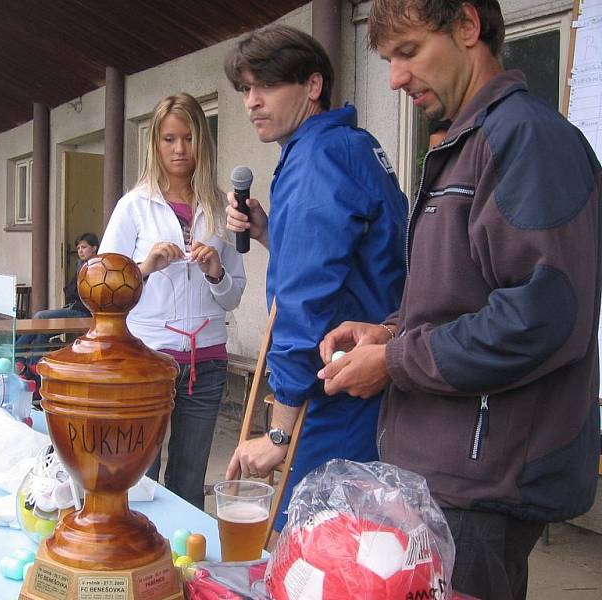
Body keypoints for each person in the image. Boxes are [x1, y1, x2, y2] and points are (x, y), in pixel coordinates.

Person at [317, 2, 601, 598]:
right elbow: (460, 295)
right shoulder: (464, 142)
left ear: (468, 26)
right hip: (447, 475)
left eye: (409, 52)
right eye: (390, 59)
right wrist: (388, 332)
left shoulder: (526, 140)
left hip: (484, 485)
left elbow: (541, 317)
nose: (396, 77)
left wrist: (394, 362)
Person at [222, 25, 408, 542]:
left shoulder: (316, 160)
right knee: (360, 546)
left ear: (311, 86)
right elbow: (346, 264)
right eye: (245, 89)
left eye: (267, 87)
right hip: (368, 383)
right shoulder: (352, 145)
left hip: (333, 390)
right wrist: (268, 232)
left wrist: (278, 431)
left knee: (315, 553)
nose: (252, 103)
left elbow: (304, 305)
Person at [100, 92, 246, 509]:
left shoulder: (223, 207)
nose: (180, 149)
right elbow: (105, 292)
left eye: (188, 138)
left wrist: (216, 270)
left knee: (188, 482)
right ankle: (141, 566)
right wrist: (144, 266)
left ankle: (184, 571)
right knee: (139, 476)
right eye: (169, 139)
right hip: (147, 361)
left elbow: (234, 294)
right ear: (155, 144)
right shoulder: (133, 206)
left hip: (208, 362)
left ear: (202, 140)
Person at [15, 233, 99, 354]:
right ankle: (34, 365)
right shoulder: (80, 266)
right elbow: (71, 291)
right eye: (79, 248)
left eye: (84, 247)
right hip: (73, 307)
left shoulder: (95, 267)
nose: (80, 251)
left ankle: (14, 351)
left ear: (94, 248)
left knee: (41, 316)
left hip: (84, 312)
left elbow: (80, 293)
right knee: (43, 332)